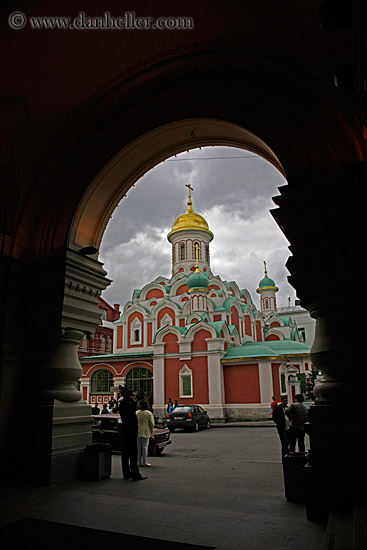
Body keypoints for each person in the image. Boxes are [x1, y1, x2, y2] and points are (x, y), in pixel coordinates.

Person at [119, 389, 147, 481]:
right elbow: (133, 411)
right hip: (131, 431)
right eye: (133, 396)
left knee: (125, 454)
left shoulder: (122, 403)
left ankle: (126, 473)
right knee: (133, 453)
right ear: (130, 396)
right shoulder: (130, 403)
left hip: (124, 430)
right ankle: (135, 474)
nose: (134, 397)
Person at [136, 400, 155, 467]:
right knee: (145, 447)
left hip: (137, 432)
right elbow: (152, 423)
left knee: (138, 448)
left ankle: (138, 462)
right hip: (146, 432)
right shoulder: (148, 413)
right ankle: (145, 462)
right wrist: (151, 430)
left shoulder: (137, 413)